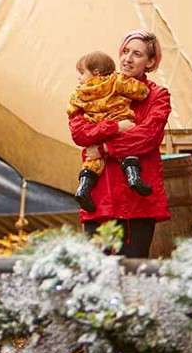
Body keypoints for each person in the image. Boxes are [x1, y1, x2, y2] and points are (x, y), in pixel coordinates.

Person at [68, 31, 172, 258]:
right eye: (125, 51)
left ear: (151, 62)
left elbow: (147, 137)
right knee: (96, 275)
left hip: (137, 204)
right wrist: (113, 128)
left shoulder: (157, 96)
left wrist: (105, 148)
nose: (127, 59)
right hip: (100, 199)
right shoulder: (95, 88)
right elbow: (79, 133)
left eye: (137, 54)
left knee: (133, 273)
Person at [67, 50, 150, 211]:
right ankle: (133, 177)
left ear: (95, 72)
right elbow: (141, 92)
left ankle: (83, 188)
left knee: (93, 160)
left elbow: (72, 112)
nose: (79, 78)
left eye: (82, 73)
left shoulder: (79, 94)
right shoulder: (115, 80)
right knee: (127, 148)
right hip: (120, 122)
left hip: (96, 130)